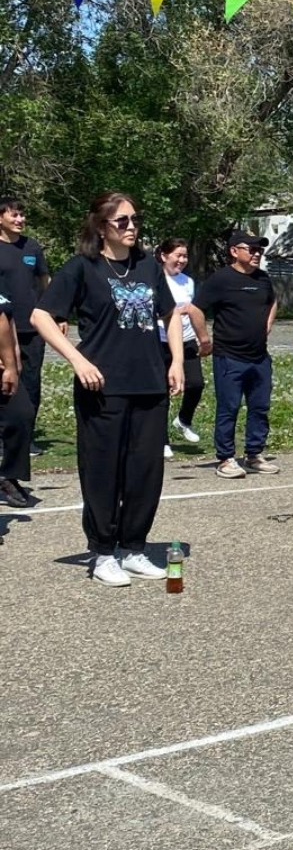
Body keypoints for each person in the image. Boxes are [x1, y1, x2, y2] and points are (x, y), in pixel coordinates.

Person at [31, 192, 184, 586]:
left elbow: (171, 314)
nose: (132, 227)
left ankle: (133, 548)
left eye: (135, 219)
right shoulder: (83, 268)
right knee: (103, 471)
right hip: (102, 387)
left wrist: (177, 362)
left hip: (149, 384)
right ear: (102, 227)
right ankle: (102, 553)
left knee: (145, 472)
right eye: (122, 221)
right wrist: (78, 360)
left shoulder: (148, 266)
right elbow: (41, 316)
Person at [194, 230, 278, 479]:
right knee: (229, 408)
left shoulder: (263, 278)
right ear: (234, 251)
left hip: (259, 357)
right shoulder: (221, 279)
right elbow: (196, 309)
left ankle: (254, 454)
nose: (256, 254)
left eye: (259, 250)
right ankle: (226, 458)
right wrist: (204, 339)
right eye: (251, 249)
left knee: (260, 407)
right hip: (229, 356)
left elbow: (273, 301)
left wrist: (267, 324)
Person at [0, 197, 49, 456]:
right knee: (5, 379)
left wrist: (54, 314)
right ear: (1, 218)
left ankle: (26, 438)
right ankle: (3, 437)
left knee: (31, 382)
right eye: (14, 215)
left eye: (22, 215)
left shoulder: (32, 247)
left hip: (31, 327)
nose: (20, 220)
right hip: (3, 327)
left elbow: (44, 280)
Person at [157, 238, 211, 459]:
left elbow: (194, 311)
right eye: (177, 255)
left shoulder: (188, 282)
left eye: (185, 256)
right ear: (164, 256)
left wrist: (203, 339)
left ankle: (183, 420)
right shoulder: (155, 280)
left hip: (187, 340)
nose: (181, 260)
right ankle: (162, 440)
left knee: (196, 384)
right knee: (161, 391)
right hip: (161, 340)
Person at [0, 279, 32, 508]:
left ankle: (8, 474)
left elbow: (6, 318)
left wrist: (14, 360)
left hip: (4, 368)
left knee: (21, 415)